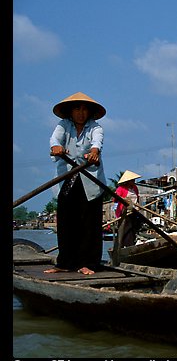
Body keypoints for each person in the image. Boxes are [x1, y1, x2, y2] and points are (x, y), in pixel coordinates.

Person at [45, 92, 107, 275]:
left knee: (90, 224)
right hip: (67, 178)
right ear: (71, 111)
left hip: (90, 181)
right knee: (66, 222)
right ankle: (64, 263)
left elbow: (98, 142)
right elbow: (55, 139)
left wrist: (94, 151)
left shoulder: (96, 128)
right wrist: (56, 147)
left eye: (84, 109)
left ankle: (89, 263)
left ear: (89, 112)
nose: (81, 113)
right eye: (77, 108)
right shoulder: (63, 125)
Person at [114, 170, 142, 247]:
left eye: (134, 180)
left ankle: (131, 244)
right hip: (124, 211)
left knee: (134, 227)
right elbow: (115, 199)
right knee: (125, 228)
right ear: (128, 181)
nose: (134, 181)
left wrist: (137, 206)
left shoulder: (135, 188)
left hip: (134, 210)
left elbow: (137, 198)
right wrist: (123, 199)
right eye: (132, 180)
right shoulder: (121, 188)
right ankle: (123, 245)